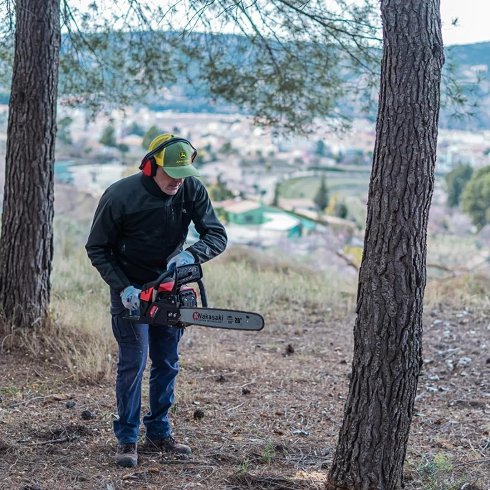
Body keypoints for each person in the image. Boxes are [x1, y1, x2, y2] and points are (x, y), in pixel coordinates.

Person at [86, 133, 227, 467]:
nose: (177, 182)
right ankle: (127, 438)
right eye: (171, 174)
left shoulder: (191, 189)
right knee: (134, 361)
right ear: (151, 167)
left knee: (167, 361)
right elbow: (97, 248)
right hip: (131, 289)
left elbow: (216, 235)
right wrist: (122, 287)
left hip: (170, 286)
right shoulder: (120, 196)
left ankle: (159, 431)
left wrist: (192, 255)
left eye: (183, 175)